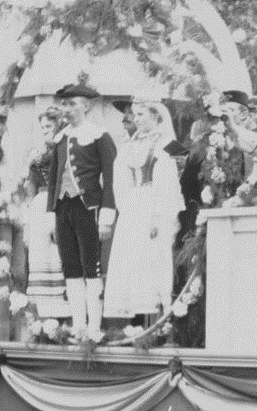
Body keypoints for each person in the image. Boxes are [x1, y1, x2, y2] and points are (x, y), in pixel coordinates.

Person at [46, 83, 118, 341]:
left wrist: (107, 216)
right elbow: (53, 181)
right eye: (65, 104)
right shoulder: (60, 138)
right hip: (64, 208)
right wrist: (50, 215)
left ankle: (94, 328)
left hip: (90, 208)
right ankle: (78, 326)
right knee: (71, 268)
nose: (68, 109)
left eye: (73, 103)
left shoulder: (99, 136)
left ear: (86, 106)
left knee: (92, 268)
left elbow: (112, 179)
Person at [105, 100, 185, 321]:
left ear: (155, 115)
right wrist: (127, 206)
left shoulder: (167, 143)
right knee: (133, 260)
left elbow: (175, 177)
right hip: (134, 207)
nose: (136, 119)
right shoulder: (131, 145)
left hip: (156, 205)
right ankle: (139, 320)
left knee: (155, 258)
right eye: (135, 115)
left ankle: (163, 319)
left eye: (141, 114)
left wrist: (159, 215)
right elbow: (120, 179)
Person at [23, 108, 69, 320]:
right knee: (39, 255)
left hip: (57, 202)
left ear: (58, 125)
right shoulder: (37, 153)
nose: (45, 131)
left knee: (56, 255)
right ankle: (41, 314)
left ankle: (60, 312)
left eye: (48, 126)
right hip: (39, 206)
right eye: (42, 128)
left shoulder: (64, 148)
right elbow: (30, 185)